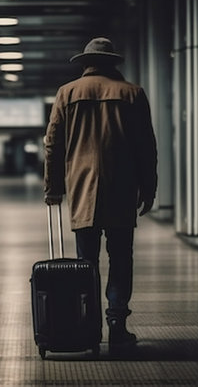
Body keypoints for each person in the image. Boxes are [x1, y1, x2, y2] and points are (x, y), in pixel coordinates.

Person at [44, 37, 158, 351]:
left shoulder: (67, 93)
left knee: (85, 262)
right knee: (121, 258)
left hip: (82, 190)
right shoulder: (132, 93)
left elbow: (53, 145)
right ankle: (117, 324)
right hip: (122, 188)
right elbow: (146, 146)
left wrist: (53, 188)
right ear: (113, 64)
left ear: (85, 63)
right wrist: (148, 188)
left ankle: (86, 326)